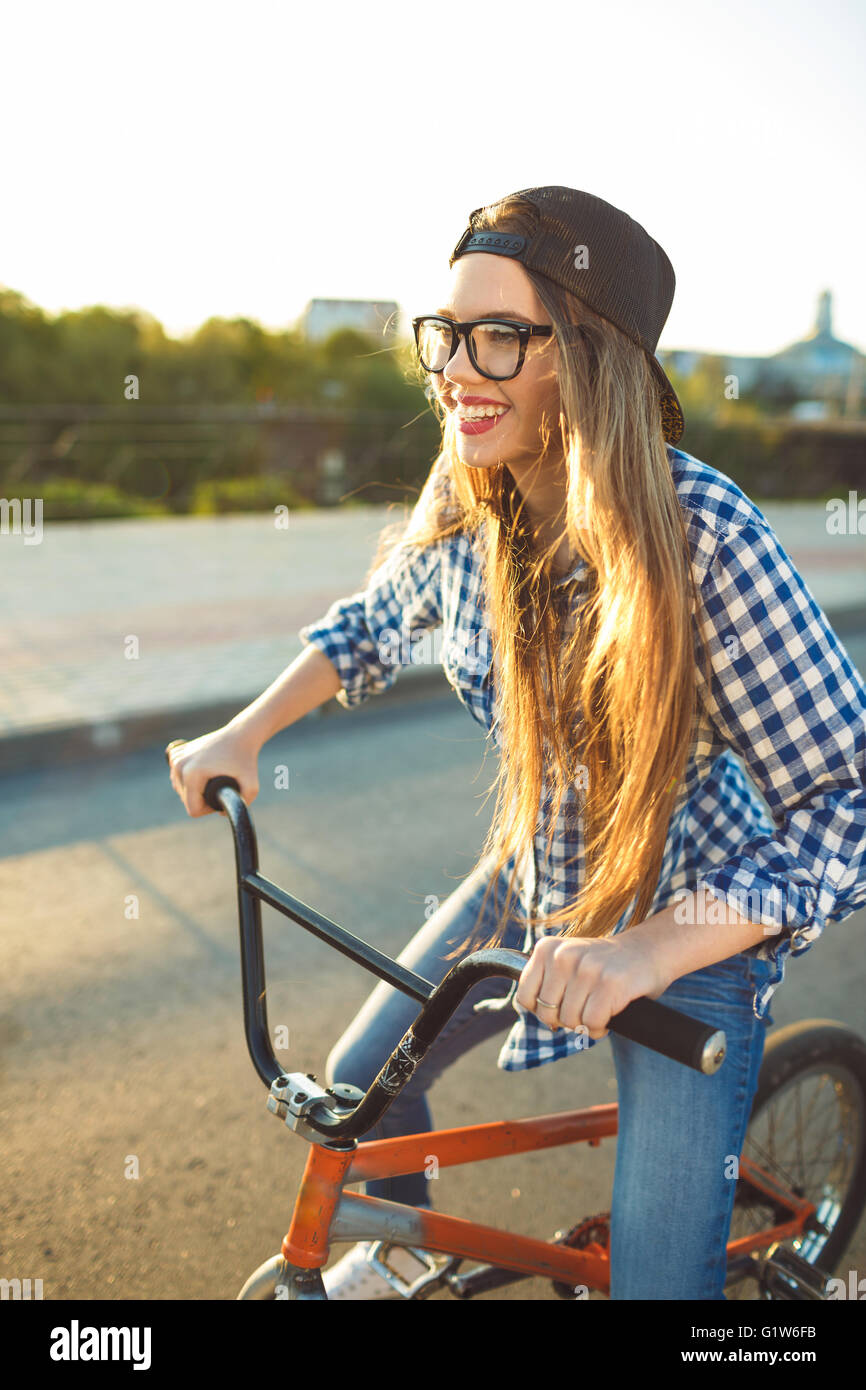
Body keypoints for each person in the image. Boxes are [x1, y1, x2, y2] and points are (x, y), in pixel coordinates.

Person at [166, 186, 866, 1300]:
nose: (453, 367)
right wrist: (242, 735)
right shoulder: (472, 492)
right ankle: (406, 1247)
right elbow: (373, 622)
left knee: (651, 1281)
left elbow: (848, 802)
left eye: (497, 336)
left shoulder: (704, 535)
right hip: (533, 875)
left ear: (583, 360)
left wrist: (644, 952)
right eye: (443, 332)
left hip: (685, 918)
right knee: (361, 1083)